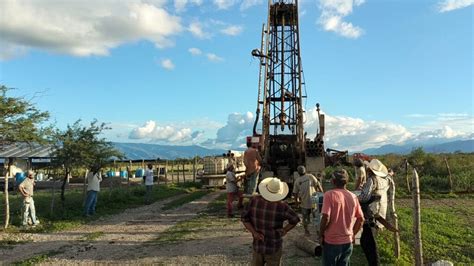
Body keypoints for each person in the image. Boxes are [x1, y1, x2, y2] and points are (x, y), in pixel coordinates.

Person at [241, 177, 300, 266]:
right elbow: (295, 219)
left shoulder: (254, 201)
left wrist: (254, 233)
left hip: (258, 245)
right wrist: (284, 230)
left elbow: (244, 218)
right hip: (274, 246)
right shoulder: (282, 206)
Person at [319, 169, 364, 266]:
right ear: (347, 181)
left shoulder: (329, 195)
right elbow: (361, 219)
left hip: (331, 242)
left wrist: (320, 234)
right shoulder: (353, 196)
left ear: (333, 181)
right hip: (347, 242)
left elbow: (326, 217)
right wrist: (352, 234)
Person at [358, 159, 392, 266]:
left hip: (370, 215)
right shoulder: (385, 180)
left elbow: (364, 198)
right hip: (380, 213)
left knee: (369, 244)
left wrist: (354, 197)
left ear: (370, 170)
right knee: (370, 242)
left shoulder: (372, 180)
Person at [293, 165, 324, 236]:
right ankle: (318, 232)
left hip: (305, 203)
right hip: (314, 202)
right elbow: (318, 185)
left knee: (306, 218)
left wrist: (296, 202)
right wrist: (322, 195)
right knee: (316, 218)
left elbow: (295, 193)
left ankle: (307, 231)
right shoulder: (310, 176)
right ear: (305, 170)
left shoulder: (297, 181)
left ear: (298, 173)